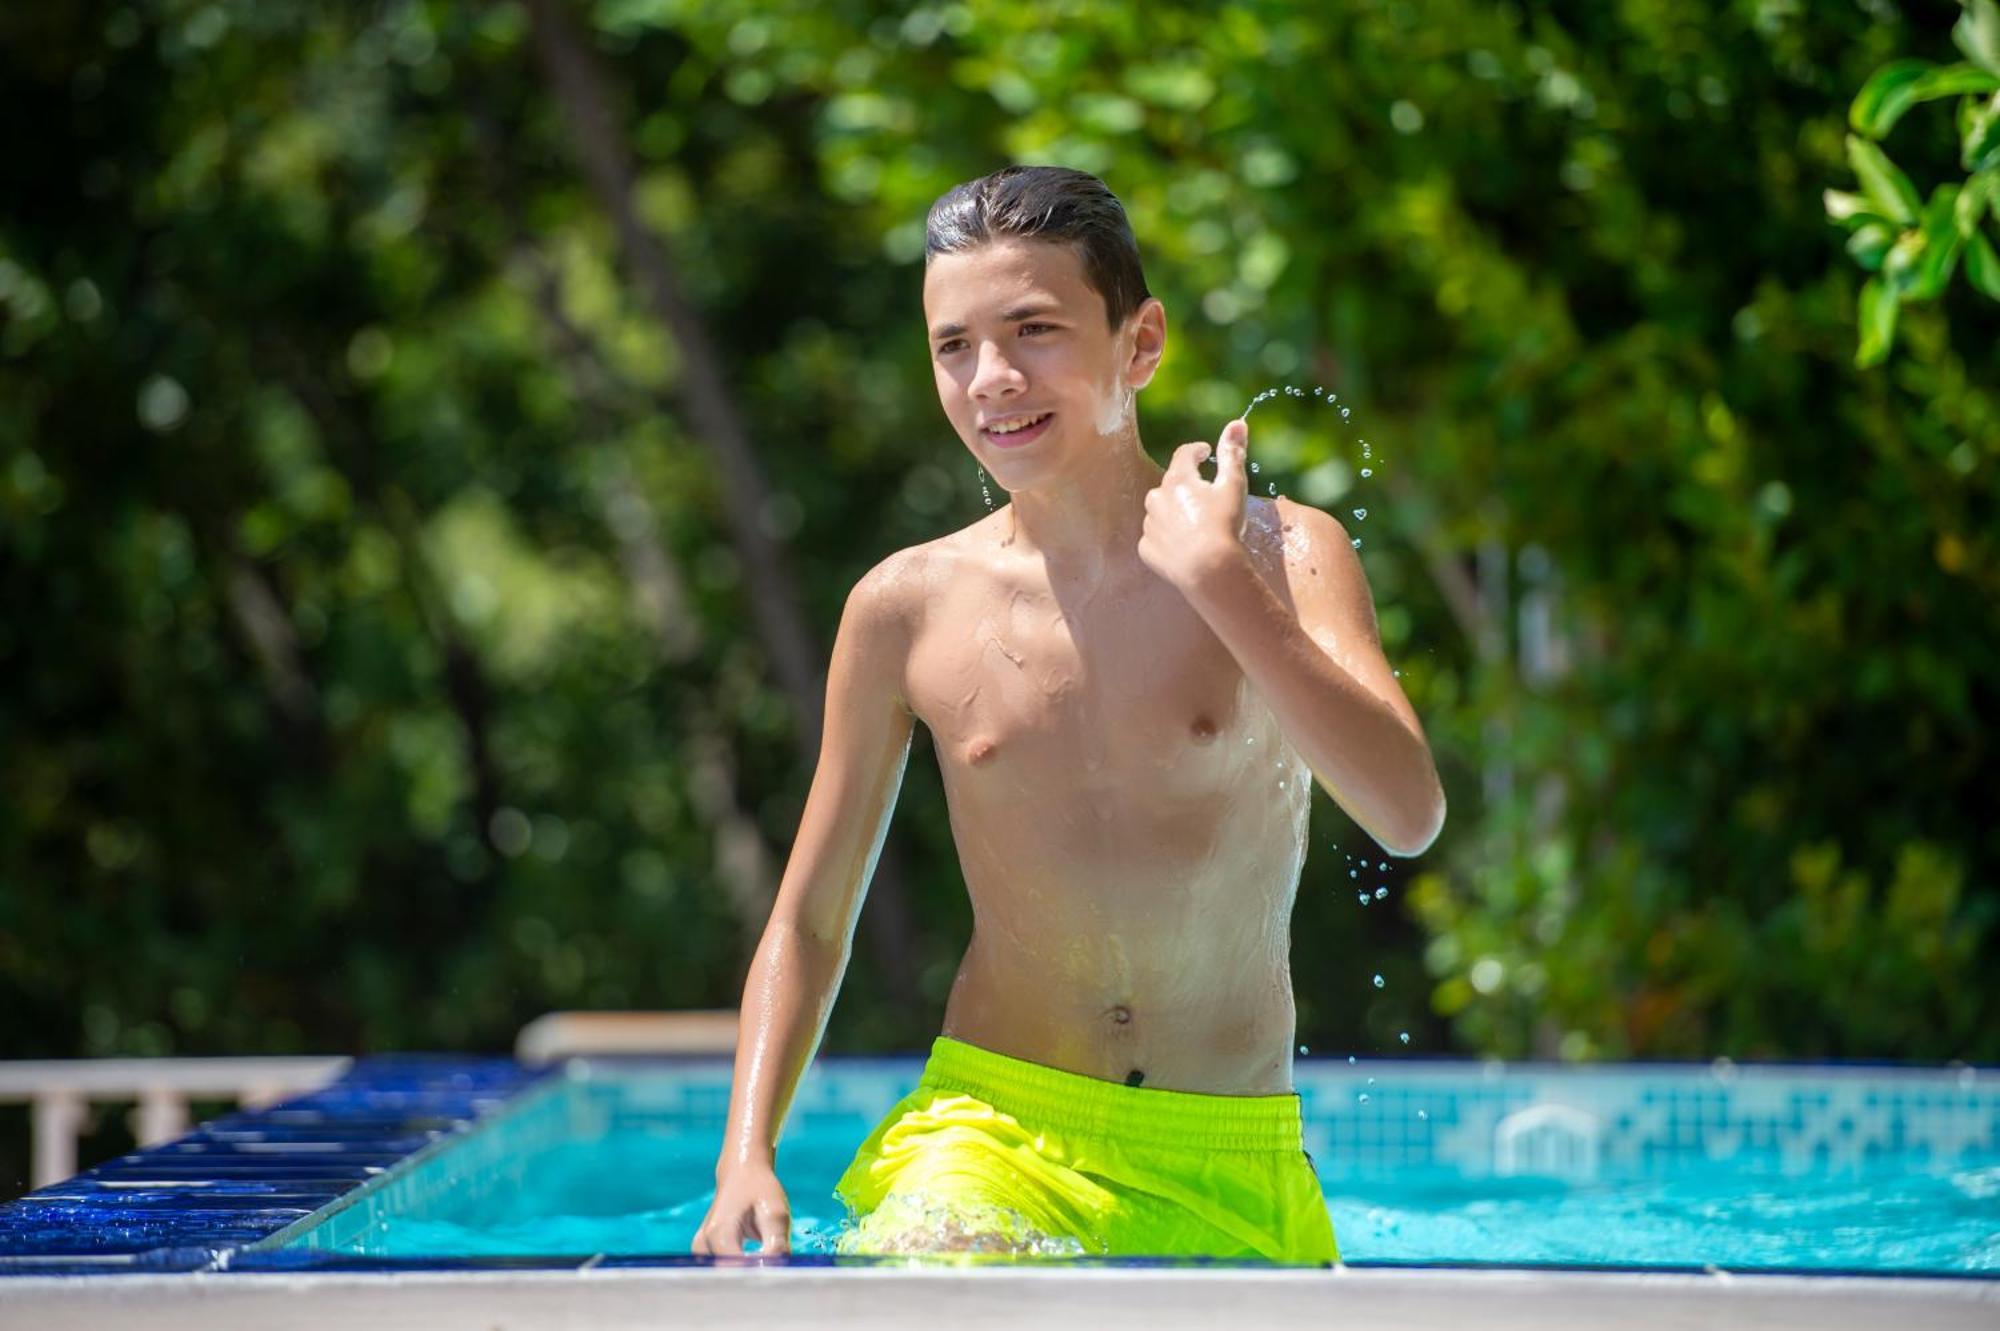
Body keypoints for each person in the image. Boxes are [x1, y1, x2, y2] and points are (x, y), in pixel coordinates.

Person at [691, 165, 1445, 1263]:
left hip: (1229, 1144)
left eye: (1033, 329)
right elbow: (809, 920)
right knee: (949, 1264)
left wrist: (1215, 580)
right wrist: (743, 1154)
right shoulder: (903, 608)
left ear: (1138, 344)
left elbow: (1406, 810)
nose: (991, 377)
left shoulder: (1283, 555)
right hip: (991, 1127)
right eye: (954, 344)